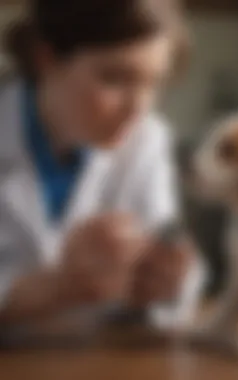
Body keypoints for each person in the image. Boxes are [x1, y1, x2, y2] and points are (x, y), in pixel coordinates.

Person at [0, 0, 203, 327]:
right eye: (116, 78)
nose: (138, 108)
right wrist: (60, 287)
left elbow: (173, 278)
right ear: (45, 58)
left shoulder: (147, 139)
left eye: (153, 83)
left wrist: (165, 282)